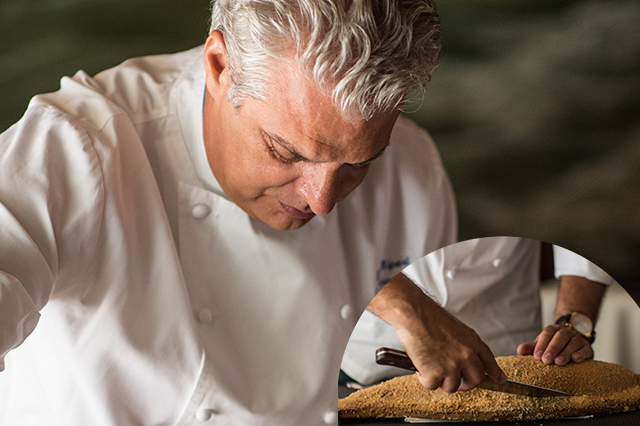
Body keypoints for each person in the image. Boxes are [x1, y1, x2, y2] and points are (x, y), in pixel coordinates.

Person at [0, 1, 457, 424]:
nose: (321, 201)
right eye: (284, 152)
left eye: (358, 165)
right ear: (220, 66)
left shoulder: (414, 169)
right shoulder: (79, 149)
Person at [341, 237, 612, 392]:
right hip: (364, 362)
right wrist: (414, 317)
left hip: (505, 363)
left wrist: (572, 321)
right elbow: (339, 249)